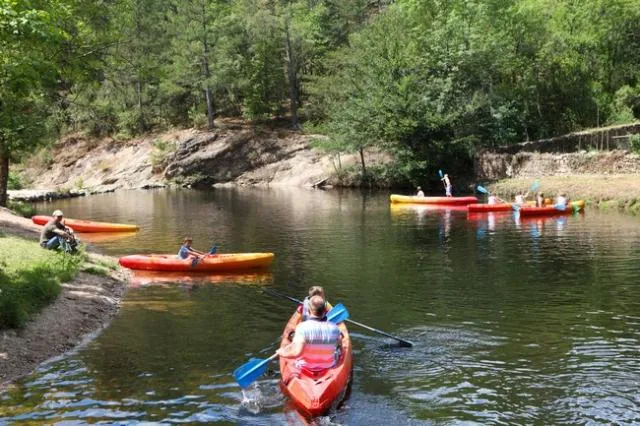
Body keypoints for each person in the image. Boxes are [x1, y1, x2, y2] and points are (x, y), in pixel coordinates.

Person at [277, 295, 342, 371]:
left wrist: (282, 353)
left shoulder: (302, 327)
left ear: (308, 310)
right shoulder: (334, 327)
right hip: (328, 365)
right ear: (325, 310)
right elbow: (339, 343)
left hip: (305, 367)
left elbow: (297, 353)